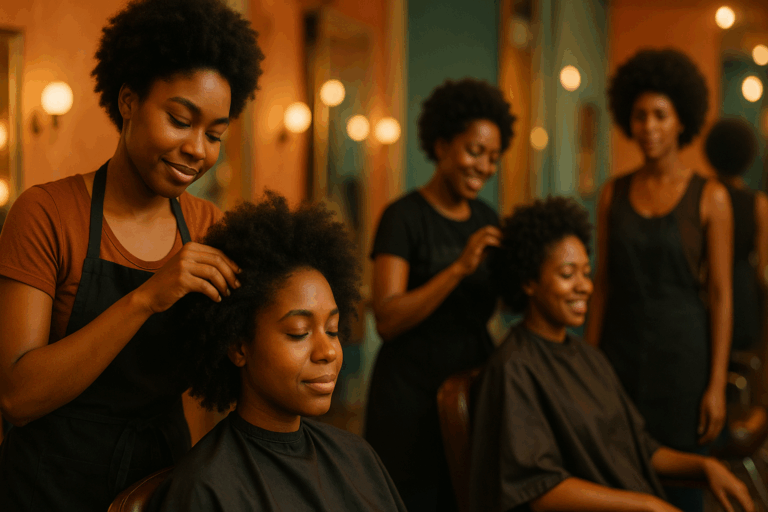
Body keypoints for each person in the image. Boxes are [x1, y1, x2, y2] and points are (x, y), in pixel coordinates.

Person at [0, 0, 263, 509]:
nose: (198, 149)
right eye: (179, 120)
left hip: (160, 481)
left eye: (215, 134)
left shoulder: (207, 227)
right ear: (127, 100)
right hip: (47, 486)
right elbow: (17, 397)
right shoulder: (47, 213)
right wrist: (146, 298)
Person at [470, 196, 753, 512]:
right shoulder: (514, 368)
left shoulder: (587, 356)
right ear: (528, 282)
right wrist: (647, 506)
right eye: (567, 274)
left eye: (586, 272)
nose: (585, 287)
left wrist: (705, 466)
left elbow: (639, 447)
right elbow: (537, 488)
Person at [148, 194, 407, 512]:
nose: (327, 351)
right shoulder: (205, 489)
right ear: (238, 347)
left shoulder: (357, 457)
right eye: (299, 332)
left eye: (332, 330)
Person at [584, 48, 733, 511]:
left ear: (681, 121)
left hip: (683, 362)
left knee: (682, 486)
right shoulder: (612, 193)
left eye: (660, 115)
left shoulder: (711, 197)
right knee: (618, 478)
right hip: (619, 356)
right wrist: (588, 365)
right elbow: (602, 284)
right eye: (640, 115)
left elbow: (721, 295)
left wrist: (716, 384)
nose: (648, 126)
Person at [364, 77, 516, 511]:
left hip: (470, 390)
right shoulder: (402, 217)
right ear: (443, 144)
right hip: (409, 397)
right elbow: (387, 319)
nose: (484, 166)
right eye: (475, 151)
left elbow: (501, 302)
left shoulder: (487, 217)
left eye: (493, 157)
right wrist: (459, 269)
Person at [705, 117, 768, 353]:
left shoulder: (702, 196)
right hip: (742, 296)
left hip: (705, 293)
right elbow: (762, 269)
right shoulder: (758, 204)